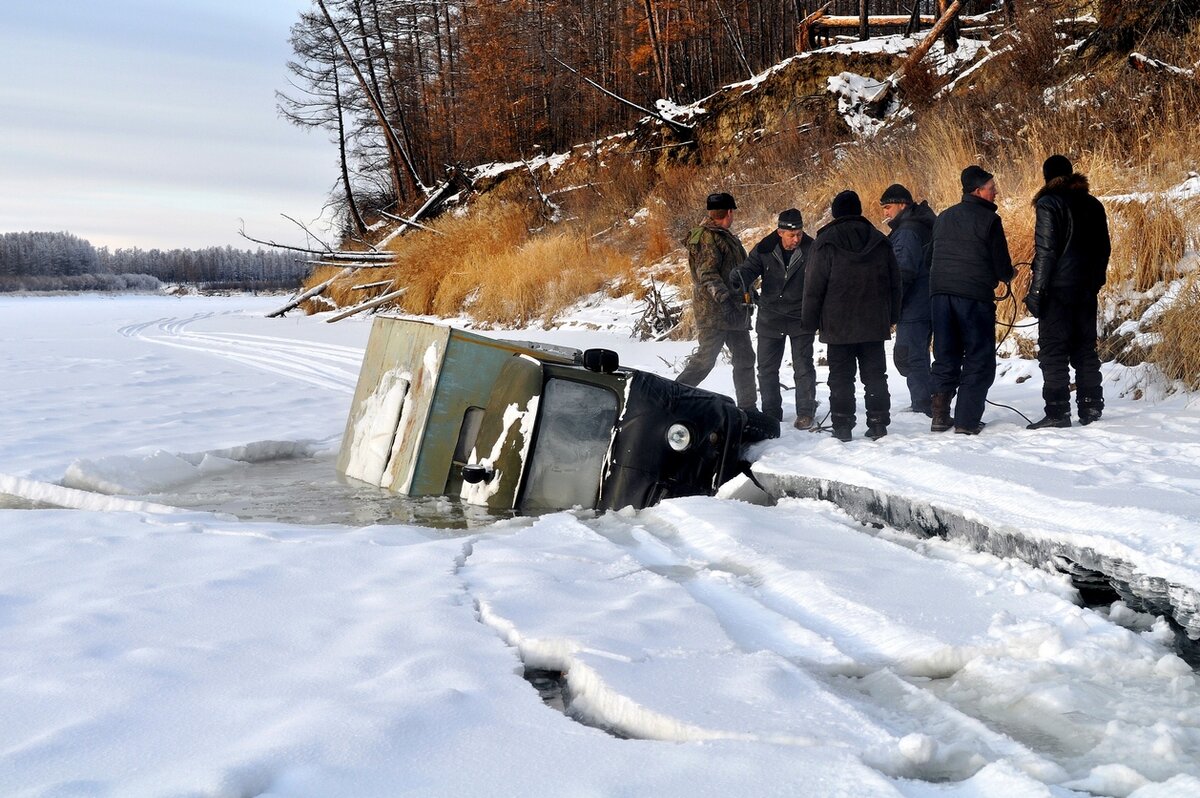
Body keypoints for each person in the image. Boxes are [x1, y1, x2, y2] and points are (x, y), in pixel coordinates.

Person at [801, 190, 902, 442]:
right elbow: (895, 283)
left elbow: (813, 286)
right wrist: (892, 316)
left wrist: (809, 322)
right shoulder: (879, 240)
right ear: (858, 210)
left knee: (840, 377)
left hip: (838, 324)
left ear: (835, 213)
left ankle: (842, 426)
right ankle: (878, 423)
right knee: (875, 375)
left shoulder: (824, 242)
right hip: (873, 321)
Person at [1025, 154, 1111, 428]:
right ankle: (1091, 408)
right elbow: (1104, 249)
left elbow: (1046, 251)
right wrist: (1095, 282)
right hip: (1086, 290)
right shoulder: (1093, 204)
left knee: (1054, 350)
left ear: (1046, 177)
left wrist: (1037, 291)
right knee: (1085, 348)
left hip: (1058, 290)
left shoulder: (1049, 203)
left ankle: (1057, 411)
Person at [928, 165, 1014, 434]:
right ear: (978, 191)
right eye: (991, 187)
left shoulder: (943, 216)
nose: (996, 190)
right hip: (973, 298)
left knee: (945, 355)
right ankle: (966, 421)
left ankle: (940, 416)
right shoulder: (990, 220)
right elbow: (1001, 266)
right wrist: (1010, 275)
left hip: (940, 296)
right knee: (979, 357)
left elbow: (929, 255)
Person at [731, 208, 817, 429]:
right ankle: (771, 413)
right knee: (767, 369)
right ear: (780, 232)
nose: (796, 239)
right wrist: (739, 277)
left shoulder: (812, 248)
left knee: (804, 367)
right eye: (791, 235)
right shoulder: (765, 248)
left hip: (801, 316)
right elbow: (749, 269)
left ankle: (805, 412)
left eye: (799, 233)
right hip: (771, 316)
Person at [676, 192, 757, 409]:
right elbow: (708, 274)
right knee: (705, 359)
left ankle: (748, 409)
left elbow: (737, 270)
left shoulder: (724, 236)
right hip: (714, 313)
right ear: (729, 212)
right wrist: (725, 302)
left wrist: (751, 292)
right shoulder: (706, 237)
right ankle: (672, 399)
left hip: (735, 311)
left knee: (745, 357)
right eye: (733, 212)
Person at [880, 184, 937, 416]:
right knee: (920, 354)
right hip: (929, 300)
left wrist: (893, 307)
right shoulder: (924, 223)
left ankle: (923, 405)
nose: (885, 213)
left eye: (888, 207)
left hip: (914, 304)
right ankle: (930, 400)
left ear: (902, 205)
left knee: (909, 356)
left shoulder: (907, 231)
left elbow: (903, 272)